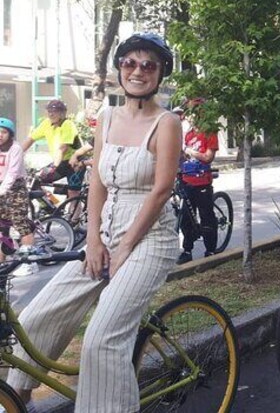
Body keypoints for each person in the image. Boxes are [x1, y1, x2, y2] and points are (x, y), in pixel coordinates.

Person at [8, 32, 182, 412]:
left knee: (102, 339)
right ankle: (16, 400)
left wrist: (123, 249)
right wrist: (94, 239)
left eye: (148, 65)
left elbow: (161, 191)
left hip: (151, 237)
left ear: (160, 73)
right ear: (119, 68)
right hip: (104, 232)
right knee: (37, 317)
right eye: (129, 63)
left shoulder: (167, 123)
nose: (138, 71)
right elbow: (98, 181)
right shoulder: (106, 118)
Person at [176, 99, 219, 264]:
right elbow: (184, 156)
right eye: (188, 113)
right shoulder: (189, 134)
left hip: (202, 182)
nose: (189, 116)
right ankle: (187, 250)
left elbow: (208, 157)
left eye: (192, 112)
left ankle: (210, 250)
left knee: (207, 217)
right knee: (186, 218)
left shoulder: (210, 132)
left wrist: (189, 151)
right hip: (186, 180)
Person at [21, 99, 85, 200]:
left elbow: (62, 148)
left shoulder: (68, 124)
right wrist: (17, 154)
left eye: (54, 111)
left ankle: (74, 214)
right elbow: (31, 139)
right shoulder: (46, 123)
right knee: (36, 181)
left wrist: (54, 166)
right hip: (60, 162)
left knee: (73, 192)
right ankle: (53, 205)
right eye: (49, 111)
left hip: (75, 162)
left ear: (62, 113)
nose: (51, 114)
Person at [0, 117, 39, 276]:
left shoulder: (15, 149)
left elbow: (12, 173)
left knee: (19, 223)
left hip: (15, 188)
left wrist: (1, 190)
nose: (0, 135)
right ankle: (2, 264)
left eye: (3, 132)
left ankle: (30, 262)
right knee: (3, 226)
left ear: (10, 134)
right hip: (2, 187)